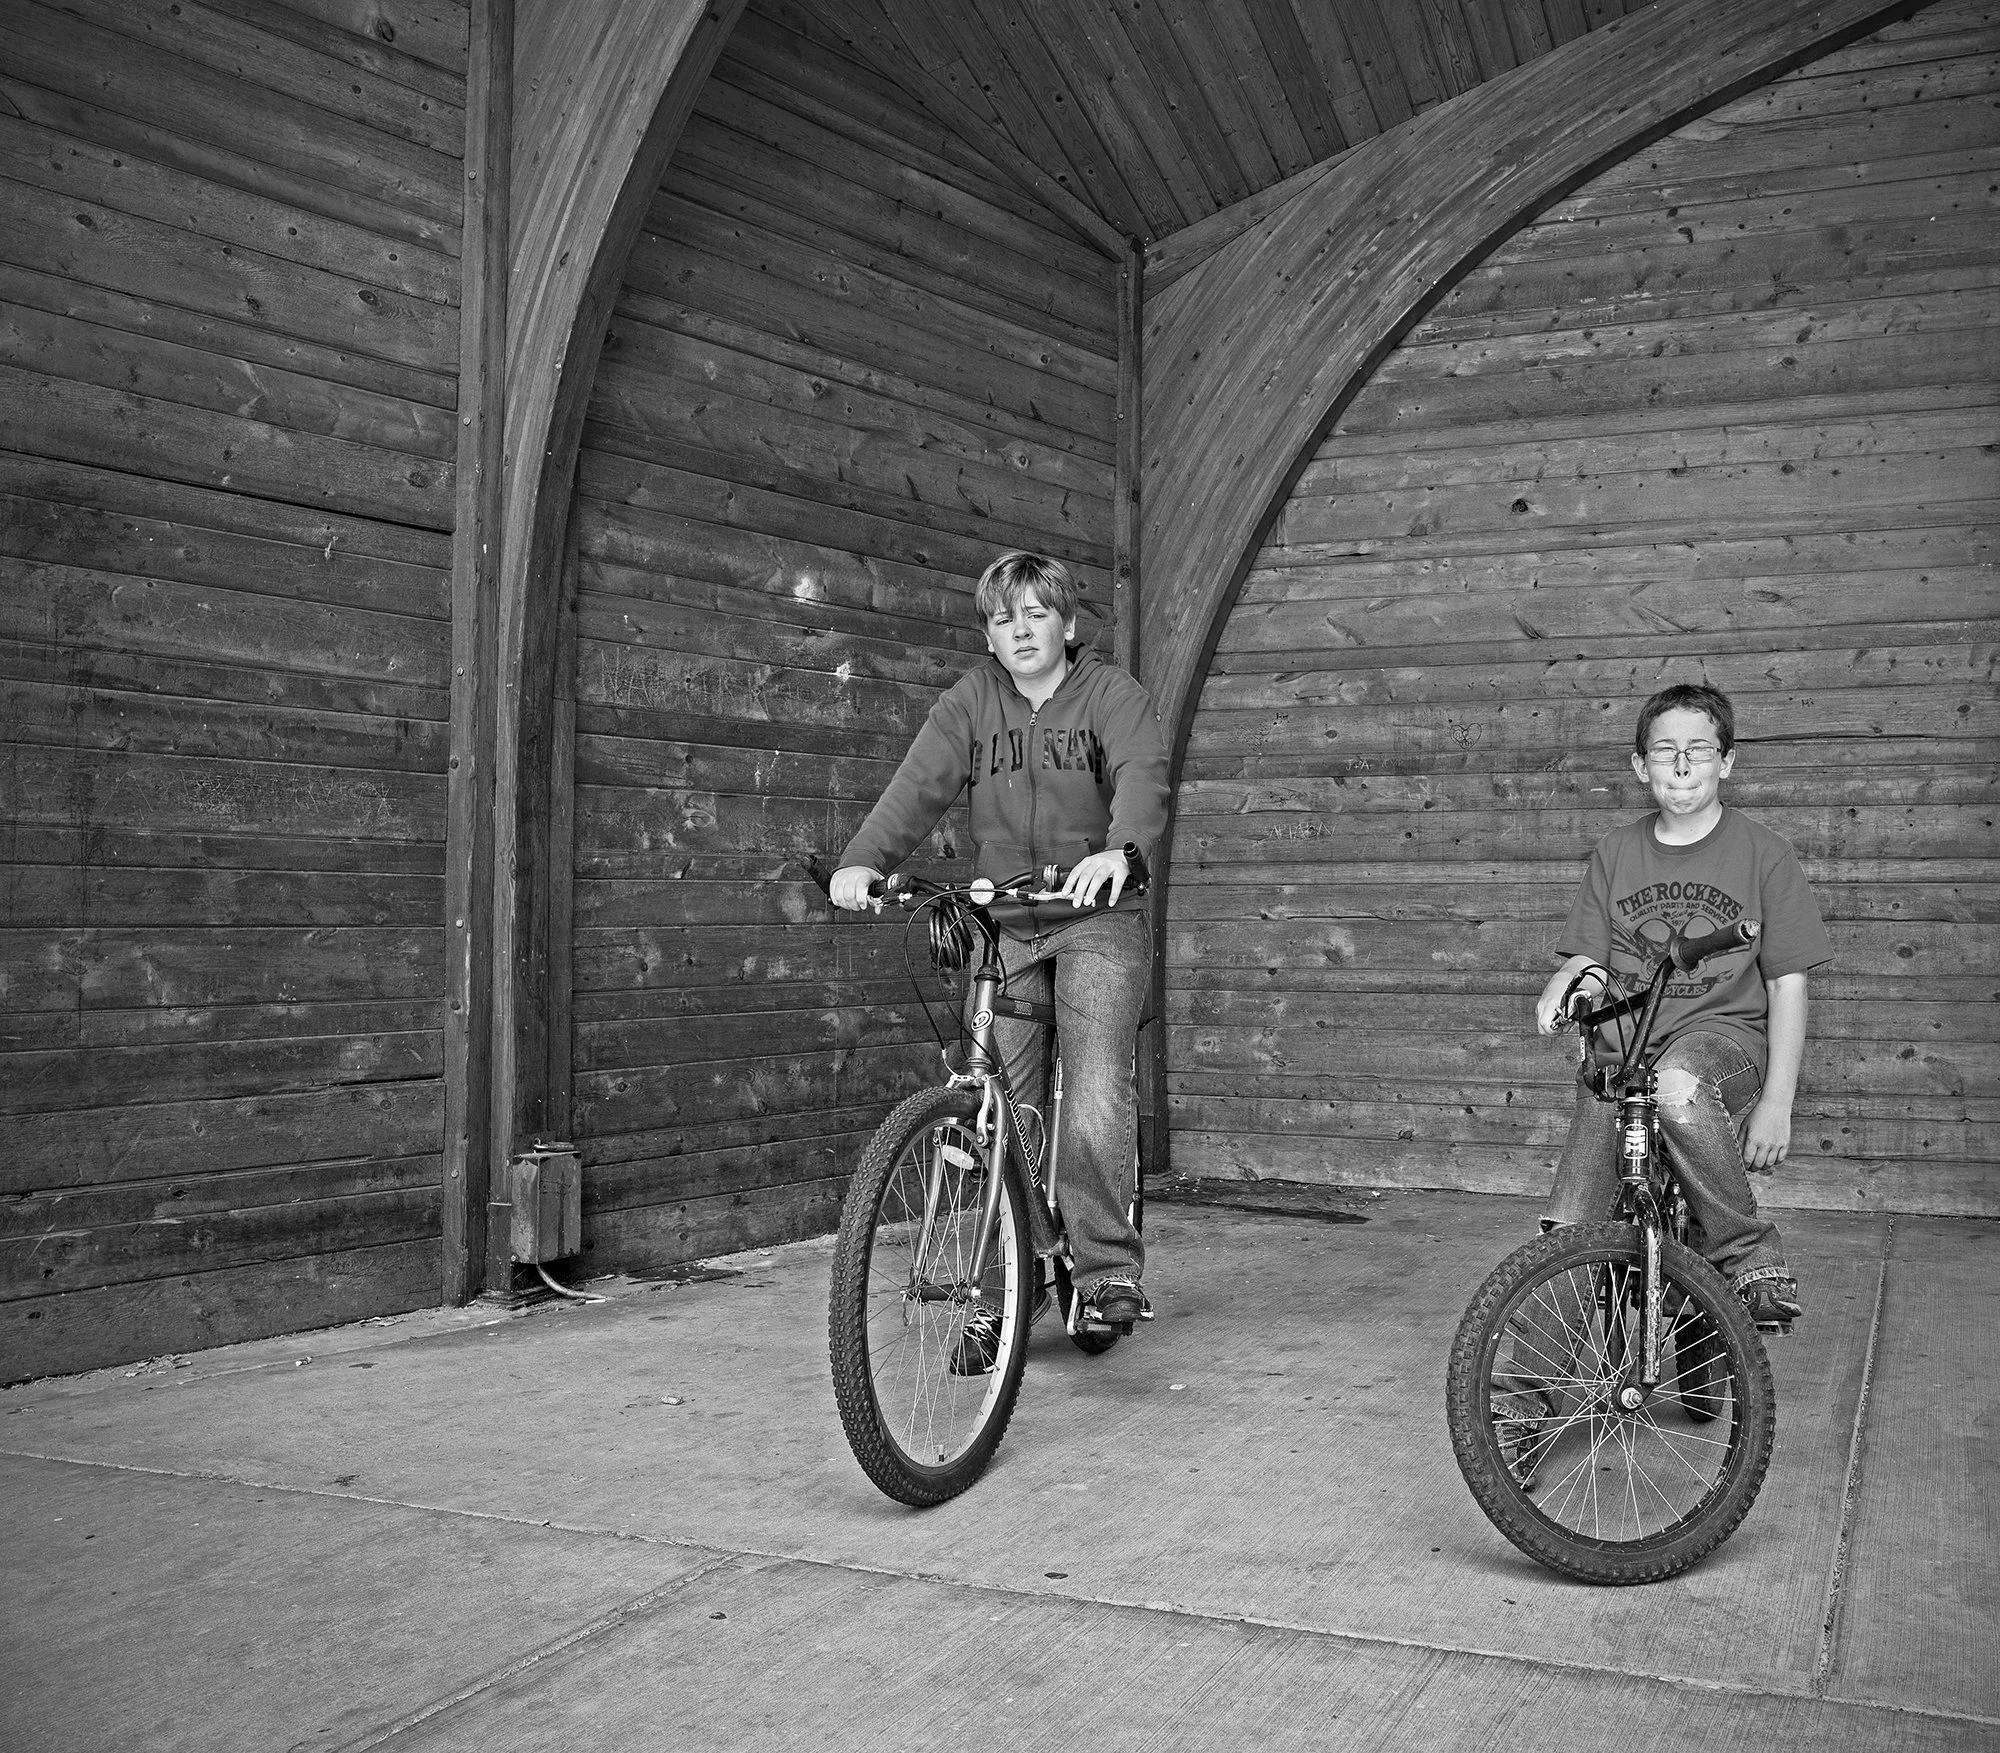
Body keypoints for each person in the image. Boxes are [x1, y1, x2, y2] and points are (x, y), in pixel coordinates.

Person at [830, 551, 1169, 1330]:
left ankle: (1107, 1271)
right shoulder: (969, 703)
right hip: (1006, 923)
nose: (1020, 630)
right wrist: (861, 862)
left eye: (1036, 614)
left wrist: (1120, 852)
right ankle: (994, 1297)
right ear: (988, 635)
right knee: (993, 1107)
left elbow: (1142, 777)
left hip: (1097, 918)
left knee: (1090, 1092)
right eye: (1003, 618)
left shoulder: (1112, 696)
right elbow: (916, 789)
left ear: (1069, 625)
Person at [1533, 682, 1833, 1328]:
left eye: (1698, 749)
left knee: (1677, 1083)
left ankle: (1752, 1258)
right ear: (1641, 765)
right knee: (1566, 1229)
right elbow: (1587, 958)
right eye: (1664, 750)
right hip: (1624, 1057)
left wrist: (1777, 1103)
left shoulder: (1764, 854)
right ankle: (1525, 1395)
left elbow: (1787, 983)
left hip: (1719, 1047)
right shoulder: (1616, 852)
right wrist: (1570, 985)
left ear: (1727, 761)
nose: (1681, 763)